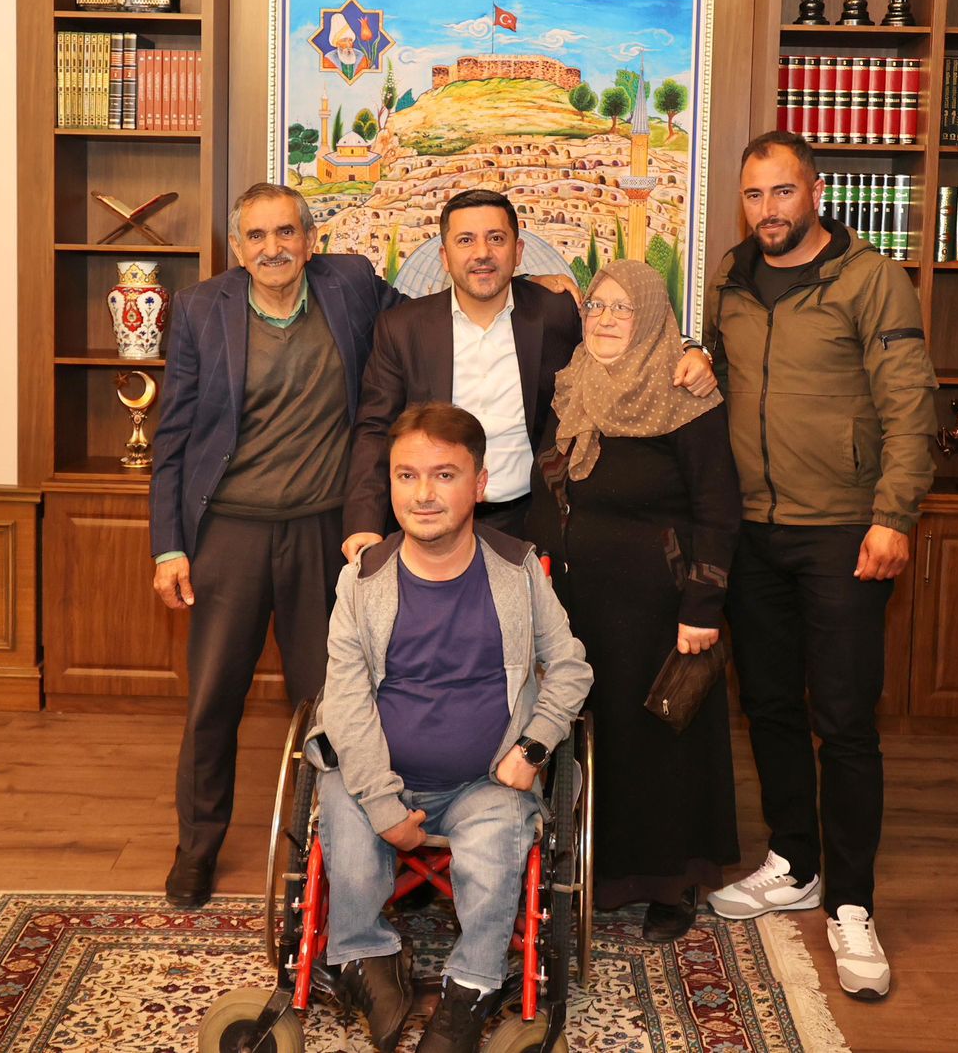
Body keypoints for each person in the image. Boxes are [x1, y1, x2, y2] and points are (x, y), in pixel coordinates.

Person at [702, 131, 936, 1001]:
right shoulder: (731, 279)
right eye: (754, 194)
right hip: (753, 530)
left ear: (816, 192)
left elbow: (910, 403)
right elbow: (721, 378)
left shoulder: (872, 280)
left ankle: (852, 904)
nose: (769, 209)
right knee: (766, 703)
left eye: (783, 191)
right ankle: (794, 862)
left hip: (844, 529)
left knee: (842, 719)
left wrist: (893, 514)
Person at [150, 182, 401, 908]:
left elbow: (430, 317)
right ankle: (196, 849)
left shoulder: (351, 287)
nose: (273, 248)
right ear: (237, 248)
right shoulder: (201, 309)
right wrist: (169, 547)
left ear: (311, 241)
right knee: (213, 700)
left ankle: (329, 850)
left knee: (329, 704)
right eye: (256, 236)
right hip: (229, 531)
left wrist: (537, 291)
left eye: (286, 232)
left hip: (324, 532)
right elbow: (173, 437)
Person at [315, 403, 593, 1053]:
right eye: (406, 476)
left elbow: (571, 668)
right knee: (346, 825)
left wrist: (533, 747)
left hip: (484, 781)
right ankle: (366, 957)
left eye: (444, 475)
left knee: (497, 846)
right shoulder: (362, 580)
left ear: (480, 484)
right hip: (376, 773)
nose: (423, 494)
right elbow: (346, 702)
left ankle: (471, 987)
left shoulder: (518, 571)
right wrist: (384, 805)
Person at [529, 259, 740, 943]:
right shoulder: (572, 386)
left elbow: (718, 511)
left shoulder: (687, 397)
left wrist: (702, 607)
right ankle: (603, 871)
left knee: (659, 745)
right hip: (578, 604)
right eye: (597, 306)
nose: (607, 319)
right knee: (597, 739)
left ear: (650, 315)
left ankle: (670, 883)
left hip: (660, 609)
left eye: (624, 308)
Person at [344, 188, 714, 555]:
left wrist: (692, 350)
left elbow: (629, 337)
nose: (482, 253)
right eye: (466, 240)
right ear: (445, 256)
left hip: (531, 523)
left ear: (518, 252)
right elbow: (375, 429)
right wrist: (364, 522)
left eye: (496, 238)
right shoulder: (402, 328)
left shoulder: (555, 313)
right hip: (433, 525)